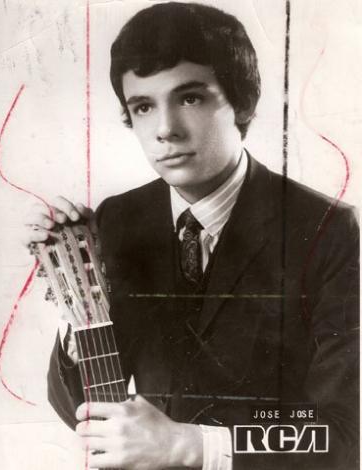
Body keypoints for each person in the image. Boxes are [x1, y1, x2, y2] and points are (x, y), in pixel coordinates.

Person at [23, 2, 359, 469]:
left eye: (190, 98)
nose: (165, 130)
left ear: (243, 102)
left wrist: (191, 445)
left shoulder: (328, 230)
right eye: (143, 107)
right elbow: (94, 414)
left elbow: (345, 436)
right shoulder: (119, 219)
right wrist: (79, 309)